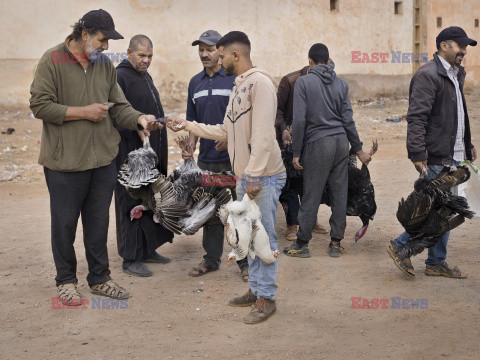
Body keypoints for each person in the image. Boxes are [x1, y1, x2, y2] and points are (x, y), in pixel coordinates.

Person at [29, 9, 160, 305]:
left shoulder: (103, 65)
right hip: (65, 162)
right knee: (64, 224)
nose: (105, 47)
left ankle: (100, 278)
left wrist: (139, 118)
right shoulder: (52, 59)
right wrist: (82, 113)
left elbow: (119, 107)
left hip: (102, 161)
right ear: (84, 34)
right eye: (102, 40)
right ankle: (65, 281)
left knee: (98, 223)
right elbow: (39, 105)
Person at [167, 31, 286, 324]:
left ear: (235, 55)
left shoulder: (260, 83)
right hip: (248, 176)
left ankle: (266, 298)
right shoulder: (239, 86)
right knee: (249, 235)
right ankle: (256, 289)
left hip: (263, 176)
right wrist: (189, 125)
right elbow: (225, 130)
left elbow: (262, 136)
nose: (218, 60)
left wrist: (254, 176)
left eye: (221, 56)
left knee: (263, 238)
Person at [387, 26, 477, 279]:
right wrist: (417, 152)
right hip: (436, 155)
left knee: (444, 211)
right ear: (444, 45)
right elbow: (417, 117)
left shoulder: (455, 74)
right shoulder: (428, 75)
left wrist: (466, 143)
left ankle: (435, 261)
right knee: (435, 211)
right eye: (460, 46)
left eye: (466, 46)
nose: (464, 51)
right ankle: (402, 245)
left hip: (454, 154)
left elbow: (456, 115)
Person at [283, 43, 371, 258]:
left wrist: (296, 152)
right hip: (341, 143)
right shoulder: (341, 84)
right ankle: (335, 243)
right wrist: (358, 149)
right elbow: (348, 120)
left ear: (310, 62)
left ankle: (302, 244)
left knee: (311, 194)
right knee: (339, 193)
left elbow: (300, 120)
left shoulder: (304, 82)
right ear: (329, 60)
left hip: (318, 144)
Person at [183, 30, 249, 281]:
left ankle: (244, 261)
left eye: (209, 49)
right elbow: (192, 121)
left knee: (237, 211)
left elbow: (243, 118)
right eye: (200, 49)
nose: (204, 54)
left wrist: (230, 139)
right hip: (206, 161)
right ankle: (211, 259)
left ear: (220, 51)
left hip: (233, 160)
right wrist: (191, 147)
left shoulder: (233, 79)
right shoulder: (194, 83)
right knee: (210, 211)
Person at [114, 34, 173, 277]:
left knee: (150, 201)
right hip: (131, 156)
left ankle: (147, 249)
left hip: (151, 153)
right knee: (130, 202)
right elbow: (115, 116)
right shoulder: (120, 77)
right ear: (129, 52)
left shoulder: (143, 75)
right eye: (141, 55)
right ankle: (130, 257)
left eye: (149, 56)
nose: (146, 60)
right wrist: (136, 127)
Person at [276, 59, 333, 241]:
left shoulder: (327, 81)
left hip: (314, 140)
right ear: (311, 63)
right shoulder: (290, 81)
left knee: (312, 182)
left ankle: (310, 220)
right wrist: (284, 129)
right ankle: (292, 224)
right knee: (291, 183)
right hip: (289, 141)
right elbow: (277, 111)